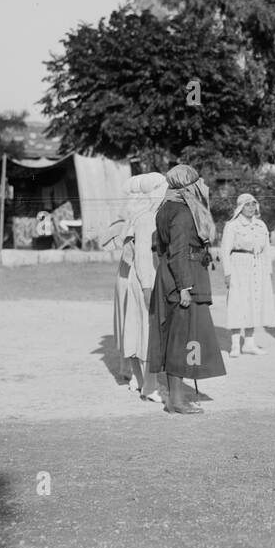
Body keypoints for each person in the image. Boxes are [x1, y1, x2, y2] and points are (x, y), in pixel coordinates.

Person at [147, 164, 226, 414]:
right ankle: (176, 400)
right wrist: (184, 287)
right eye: (198, 181)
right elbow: (178, 251)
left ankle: (177, 397)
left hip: (176, 275)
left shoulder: (166, 207)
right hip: (183, 278)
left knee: (180, 337)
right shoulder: (181, 212)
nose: (202, 185)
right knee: (181, 338)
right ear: (187, 185)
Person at [113, 172, 167, 402]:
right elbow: (144, 257)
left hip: (136, 276)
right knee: (147, 331)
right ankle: (150, 386)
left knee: (136, 328)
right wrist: (147, 287)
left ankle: (138, 379)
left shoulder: (141, 216)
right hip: (146, 278)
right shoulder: (148, 219)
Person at [220, 192, 275, 357]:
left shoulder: (261, 225)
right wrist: (228, 273)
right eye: (247, 205)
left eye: (253, 204)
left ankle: (249, 344)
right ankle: (236, 345)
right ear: (240, 207)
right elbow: (224, 251)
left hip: (257, 267)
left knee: (254, 302)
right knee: (238, 303)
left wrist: (268, 271)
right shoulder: (232, 226)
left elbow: (267, 250)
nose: (251, 208)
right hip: (238, 265)